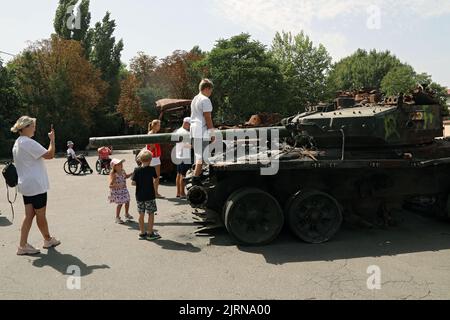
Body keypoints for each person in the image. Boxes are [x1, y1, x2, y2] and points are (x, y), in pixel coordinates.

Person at [11, 116, 60, 256]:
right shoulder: (28, 142)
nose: (34, 128)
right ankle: (48, 240)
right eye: (32, 126)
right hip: (36, 185)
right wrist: (52, 140)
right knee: (40, 214)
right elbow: (50, 155)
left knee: (29, 215)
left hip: (26, 185)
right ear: (25, 127)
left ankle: (22, 245)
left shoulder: (17, 142)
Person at [131, 150, 161, 241]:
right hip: (150, 195)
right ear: (151, 159)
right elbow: (156, 178)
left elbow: (133, 183)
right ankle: (150, 233)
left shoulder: (136, 170)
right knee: (151, 213)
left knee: (141, 214)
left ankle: (142, 232)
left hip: (139, 196)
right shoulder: (152, 169)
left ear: (140, 159)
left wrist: (140, 183)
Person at [190, 79, 216, 182]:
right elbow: (208, 118)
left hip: (194, 130)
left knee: (198, 156)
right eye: (210, 90)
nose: (211, 93)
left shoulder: (195, 99)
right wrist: (212, 133)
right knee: (202, 157)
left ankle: (196, 177)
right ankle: (196, 179)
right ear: (206, 88)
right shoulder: (205, 100)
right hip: (201, 130)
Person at [109, 158, 134, 224]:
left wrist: (131, 174)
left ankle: (126, 214)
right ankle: (117, 217)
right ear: (114, 166)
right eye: (119, 164)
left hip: (124, 190)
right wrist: (119, 185)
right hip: (118, 191)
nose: (121, 165)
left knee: (127, 201)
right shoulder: (114, 174)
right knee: (120, 204)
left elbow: (125, 176)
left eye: (121, 163)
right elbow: (110, 185)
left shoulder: (123, 171)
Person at [174, 117, 192, 198]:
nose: (190, 126)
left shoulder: (178, 130)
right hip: (184, 155)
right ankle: (182, 193)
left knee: (178, 174)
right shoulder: (185, 133)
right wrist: (194, 146)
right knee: (183, 175)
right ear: (186, 123)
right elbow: (186, 145)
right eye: (190, 124)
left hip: (178, 155)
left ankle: (178, 192)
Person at [146, 120, 163, 198]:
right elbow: (151, 146)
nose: (159, 126)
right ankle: (154, 193)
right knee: (155, 176)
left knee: (155, 176)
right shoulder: (151, 134)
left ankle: (154, 192)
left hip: (155, 157)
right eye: (158, 125)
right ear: (154, 125)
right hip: (153, 157)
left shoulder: (153, 133)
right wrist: (156, 149)